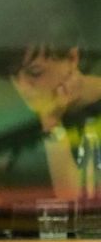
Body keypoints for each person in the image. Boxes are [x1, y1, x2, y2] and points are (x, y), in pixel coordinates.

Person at [7, 44, 101, 201]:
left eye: (35, 73)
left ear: (72, 59)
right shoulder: (19, 130)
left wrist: (51, 122)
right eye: (15, 76)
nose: (24, 88)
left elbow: (78, 204)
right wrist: (51, 122)